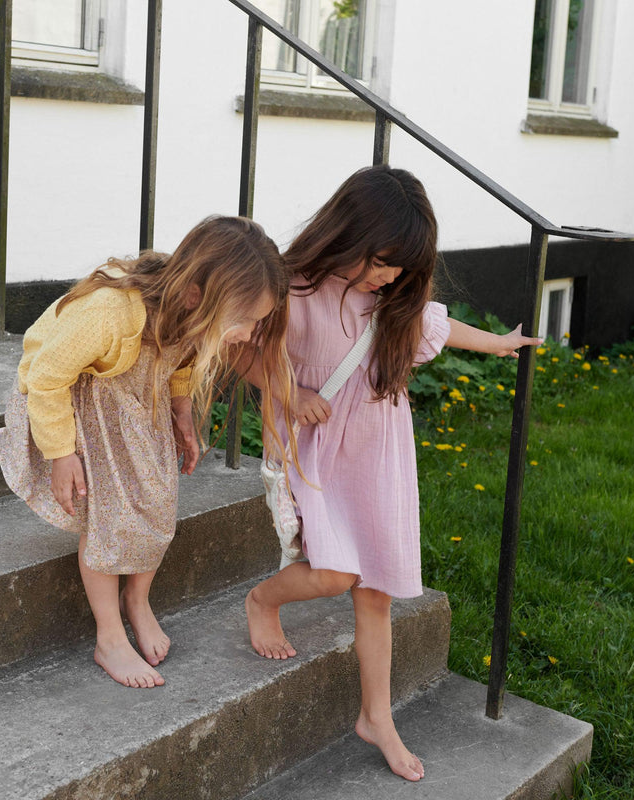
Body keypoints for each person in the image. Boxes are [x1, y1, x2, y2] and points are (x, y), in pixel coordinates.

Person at [242, 165, 543, 781]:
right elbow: (243, 351)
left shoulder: (394, 302)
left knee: (374, 586)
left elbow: (441, 325)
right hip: (320, 449)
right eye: (380, 261)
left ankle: (376, 715)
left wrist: (498, 343)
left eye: (401, 268)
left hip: (379, 455)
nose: (388, 277)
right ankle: (261, 599)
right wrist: (290, 393)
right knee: (332, 575)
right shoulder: (292, 290)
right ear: (347, 232)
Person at [0, 216, 296, 689]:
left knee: (158, 501)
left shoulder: (186, 308)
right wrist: (61, 452)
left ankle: (136, 601)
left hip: (137, 400)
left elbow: (180, 355)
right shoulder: (109, 313)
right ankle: (109, 637)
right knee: (110, 516)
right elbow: (48, 377)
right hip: (80, 401)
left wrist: (181, 412)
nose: (247, 335)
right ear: (200, 295)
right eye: (245, 320)